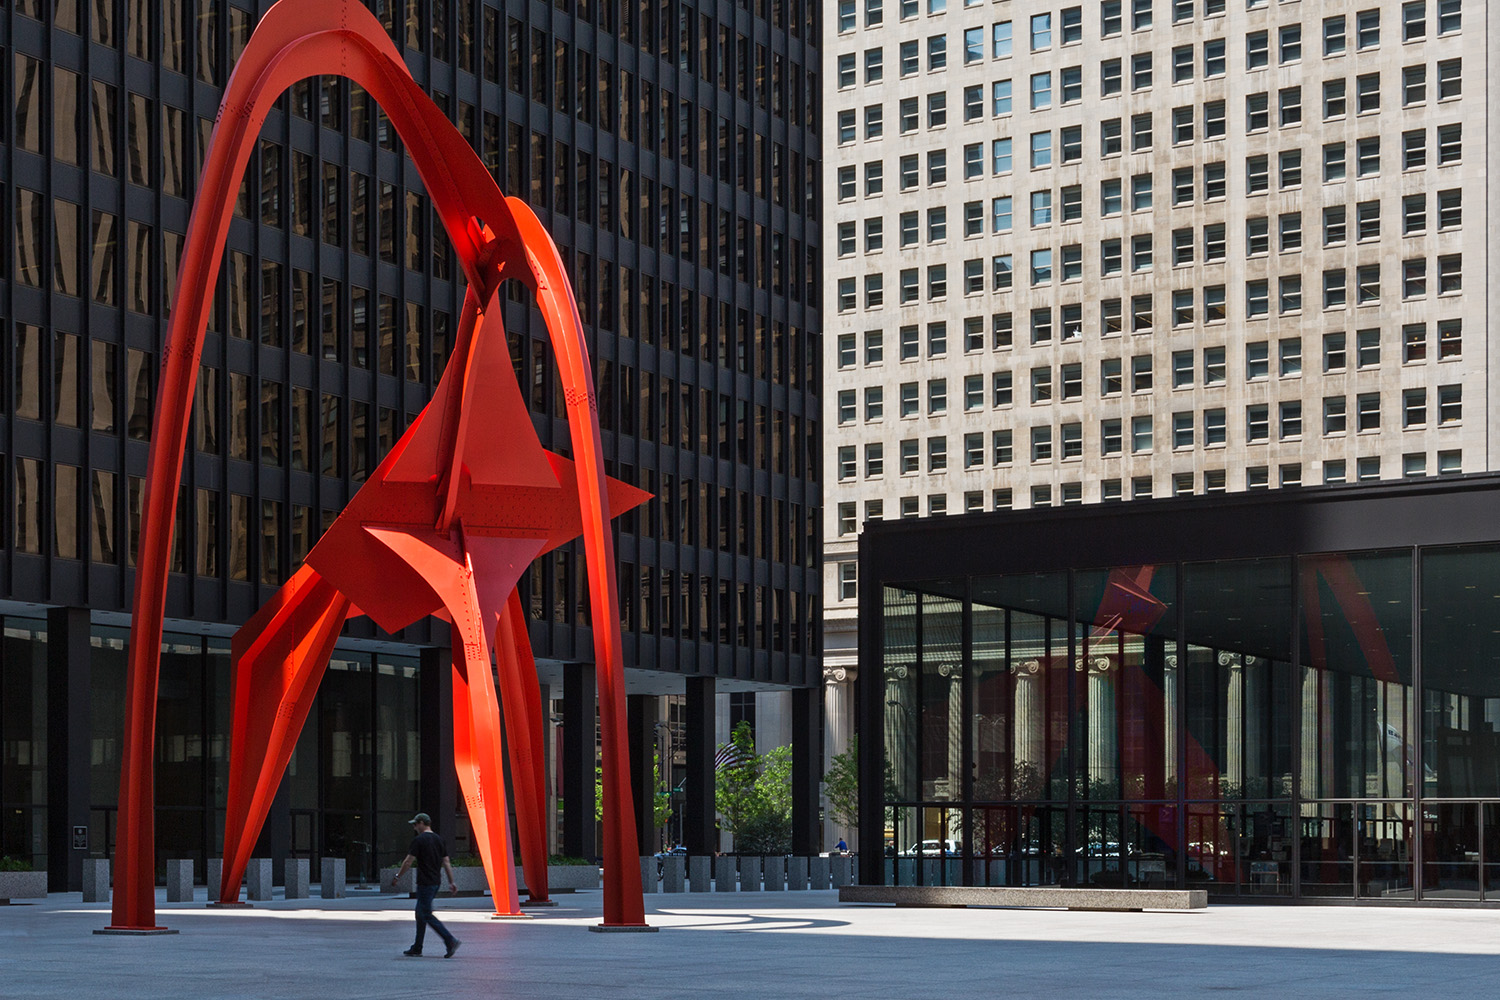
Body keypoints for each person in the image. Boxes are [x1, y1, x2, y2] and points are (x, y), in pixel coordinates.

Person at [389, 812, 461, 958]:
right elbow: (446, 862)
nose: (414, 827)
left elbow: (408, 861)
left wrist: (398, 876)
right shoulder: (439, 839)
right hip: (435, 882)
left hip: (425, 882)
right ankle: (417, 947)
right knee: (420, 913)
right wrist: (451, 881)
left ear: (422, 823)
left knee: (425, 914)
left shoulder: (419, 840)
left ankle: (450, 940)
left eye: (415, 824)